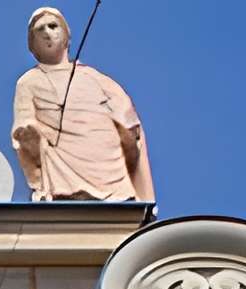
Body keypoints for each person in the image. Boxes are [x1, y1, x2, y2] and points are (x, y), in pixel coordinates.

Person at [12, 6, 153, 204]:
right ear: (32, 45)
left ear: (66, 37)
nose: (47, 33)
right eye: (39, 29)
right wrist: (29, 135)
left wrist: (127, 128)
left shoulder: (95, 78)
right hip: (62, 168)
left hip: (107, 164)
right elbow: (24, 121)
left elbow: (128, 120)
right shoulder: (28, 82)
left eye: (52, 26)